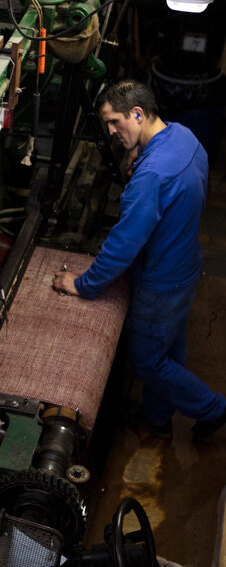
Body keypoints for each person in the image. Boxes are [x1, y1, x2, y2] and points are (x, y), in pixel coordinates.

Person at [52, 79, 226, 441]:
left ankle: (214, 409)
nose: (112, 132)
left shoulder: (150, 176)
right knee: (170, 348)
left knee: (149, 362)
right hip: (186, 264)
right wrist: (143, 155)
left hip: (161, 282)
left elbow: (123, 246)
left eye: (116, 122)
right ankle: (157, 419)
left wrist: (81, 285)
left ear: (138, 113)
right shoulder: (184, 138)